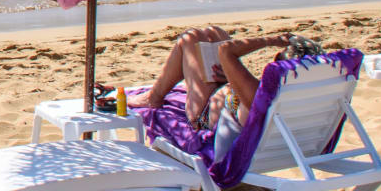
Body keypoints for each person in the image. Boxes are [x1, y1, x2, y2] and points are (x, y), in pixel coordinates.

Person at [123, 27, 308, 131]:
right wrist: (230, 78)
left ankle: (153, 97)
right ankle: (156, 93)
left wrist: (272, 40)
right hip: (228, 102)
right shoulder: (302, 94)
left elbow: (226, 50)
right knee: (214, 33)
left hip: (203, 114)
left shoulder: (261, 94)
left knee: (190, 39)